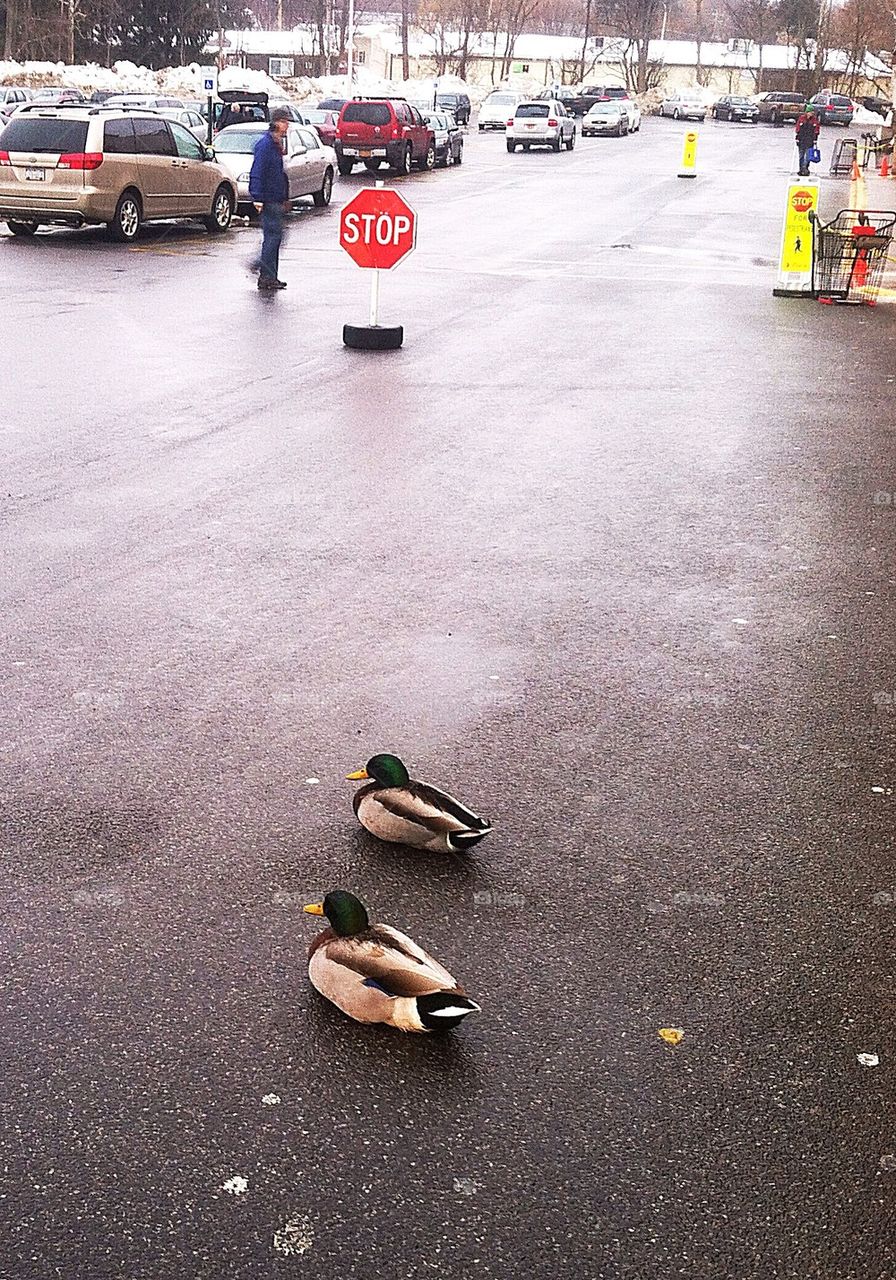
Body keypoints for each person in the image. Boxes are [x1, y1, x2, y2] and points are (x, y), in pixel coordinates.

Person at [249, 108, 291, 291]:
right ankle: (263, 271)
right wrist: (257, 197)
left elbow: (279, 174)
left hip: (276, 198)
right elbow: (257, 172)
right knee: (273, 237)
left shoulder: (276, 144)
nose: (286, 125)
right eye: (284, 122)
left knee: (276, 236)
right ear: (275, 123)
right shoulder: (265, 145)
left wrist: (285, 197)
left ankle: (269, 274)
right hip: (267, 199)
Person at [795, 107, 820, 177]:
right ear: (807, 112)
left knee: (808, 156)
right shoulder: (802, 118)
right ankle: (801, 169)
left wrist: (815, 138)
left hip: (810, 140)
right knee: (801, 156)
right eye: (810, 112)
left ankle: (805, 168)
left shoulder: (814, 120)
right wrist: (797, 137)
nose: (811, 114)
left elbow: (816, 129)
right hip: (802, 140)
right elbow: (798, 128)